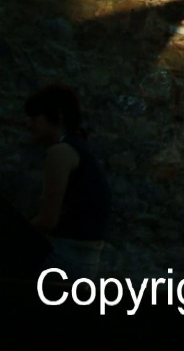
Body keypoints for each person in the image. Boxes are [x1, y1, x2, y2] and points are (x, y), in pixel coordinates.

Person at [24, 84, 111, 280]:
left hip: (66, 262)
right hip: (85, 262)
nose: (29, 125)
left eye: (35, 117)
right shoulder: (80, 149)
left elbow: (47, 220)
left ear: (57, 115)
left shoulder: (60, 152)